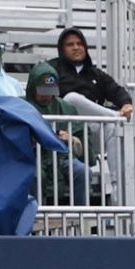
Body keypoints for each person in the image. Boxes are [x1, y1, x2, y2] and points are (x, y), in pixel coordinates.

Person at [23, 68, 91, 207]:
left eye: (50, 91)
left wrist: (71, 139)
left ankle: (81, 215)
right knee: (33, 175)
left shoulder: (66, 107)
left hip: (63, 157)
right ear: (33, 88)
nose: (46, 96)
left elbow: (83, 141)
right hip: (32, 157)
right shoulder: (21, 105)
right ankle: (34, 217)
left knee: (82, 171)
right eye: (42, 91)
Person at [50, 29, 133, 119]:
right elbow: (43, 100)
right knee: (71, 98)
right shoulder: (51, 69)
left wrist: (126, 104)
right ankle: (116, 117)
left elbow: (116, 90)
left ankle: (121, 119)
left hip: (95, 125)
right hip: (65, 124)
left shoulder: (96, 74)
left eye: (80, 44)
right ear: (62, 49)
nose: (76, 47)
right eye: (70, 45)